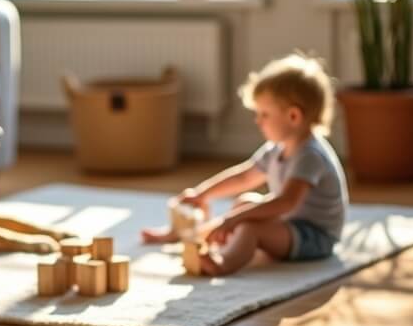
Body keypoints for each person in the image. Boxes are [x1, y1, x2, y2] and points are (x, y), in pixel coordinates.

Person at [141, 53, 349, 276]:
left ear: (293, 116)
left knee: (249, 227)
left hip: (314, 237)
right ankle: (192, 235)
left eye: (264, 114)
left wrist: (234, 220)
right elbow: (244, 177)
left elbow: (285, 202)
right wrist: (202, 194)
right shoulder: (277, 148)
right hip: (292, 223)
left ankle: (223, 263)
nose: (257, 121)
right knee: (244, 203)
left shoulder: (310, 156)